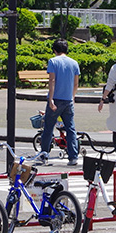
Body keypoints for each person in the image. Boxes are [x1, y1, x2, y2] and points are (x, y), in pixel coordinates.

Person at [42, 38, 81, 166]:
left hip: (56, 99)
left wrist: (51, 99)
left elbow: (52, 81)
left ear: (54, 50)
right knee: (71, 129)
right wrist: (72, 97)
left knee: (48, 127)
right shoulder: (74, 63)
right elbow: (76, 83)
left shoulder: (53, 61)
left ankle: (44, 154)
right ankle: (73, 156)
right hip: (68, 100)